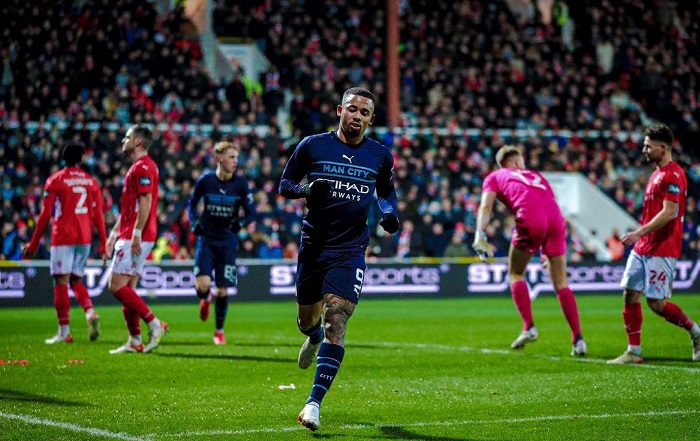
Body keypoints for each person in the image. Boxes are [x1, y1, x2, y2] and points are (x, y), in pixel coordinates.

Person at [279, 87, 399, 431]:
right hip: (313, 246)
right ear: (339, 111)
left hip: (350, 250)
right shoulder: (313, 145)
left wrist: (389, 213)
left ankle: (313, 403)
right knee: (308, 322)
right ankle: (312, 335)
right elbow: (285, 183)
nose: (357, 116)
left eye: (365, 112)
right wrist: (304, 190)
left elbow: (386, 192)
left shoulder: (380, 155)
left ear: (371, 119)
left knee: (338, 319)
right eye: (353, 109)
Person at [473, 145, 586, 356]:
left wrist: (480, 233)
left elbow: (486, 206)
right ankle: (578, 339)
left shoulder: (495, 176)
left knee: (516, 273)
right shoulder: (536, 176)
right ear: (517, 162)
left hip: (530, 219)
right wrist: (546, 254)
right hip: (555, 221)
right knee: (561, 282)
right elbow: (550, 206)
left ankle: (529, 327)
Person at [608, 124, 700, 364]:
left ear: (662, 147)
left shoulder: (674, 174)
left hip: (662, 247)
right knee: (630, 294)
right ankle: (633, 351)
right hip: (643, 247)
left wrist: (638, 233)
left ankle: (696, 332)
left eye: (648, 146)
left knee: (656, 304)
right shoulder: (656, 173)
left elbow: (670, 212)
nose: (644, 149)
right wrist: (641, 237)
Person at [21, 141, 107, 344]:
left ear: (62, 157)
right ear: (81, 159)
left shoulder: (56, 180)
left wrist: (33, 244)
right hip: (84, 237)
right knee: (76, 280)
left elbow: (44, 215)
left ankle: (64, 332)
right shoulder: (91, 181)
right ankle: (90, 312)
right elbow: (99, 215)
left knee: (60, 282)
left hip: (63, 237)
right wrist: (103, 244)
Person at [106, 124, 168, 354]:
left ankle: (154, 323)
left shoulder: (143, 167)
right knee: (128, 290)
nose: (124, 140)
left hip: (136, 235)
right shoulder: (140, 167)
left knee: (115, 286)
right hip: (131, 232)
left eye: (127, 137)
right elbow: (129, 207)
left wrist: (136, 232)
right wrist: (114, 233)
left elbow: (146, 201)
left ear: (139, 142)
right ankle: (135, 341)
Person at [187, 141, 254, 345]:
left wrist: (241, 223)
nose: (236, 161)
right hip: (206, 239)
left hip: (227, 241)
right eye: (232, 157)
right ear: (220, 158)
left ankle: (219, 331)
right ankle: (205, 297)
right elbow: (191, 203)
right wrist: (193, 223)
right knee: (202, 285)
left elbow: (251, 212)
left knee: (223, 290)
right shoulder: (205, 181)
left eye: (236, 157)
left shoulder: (241, 184)